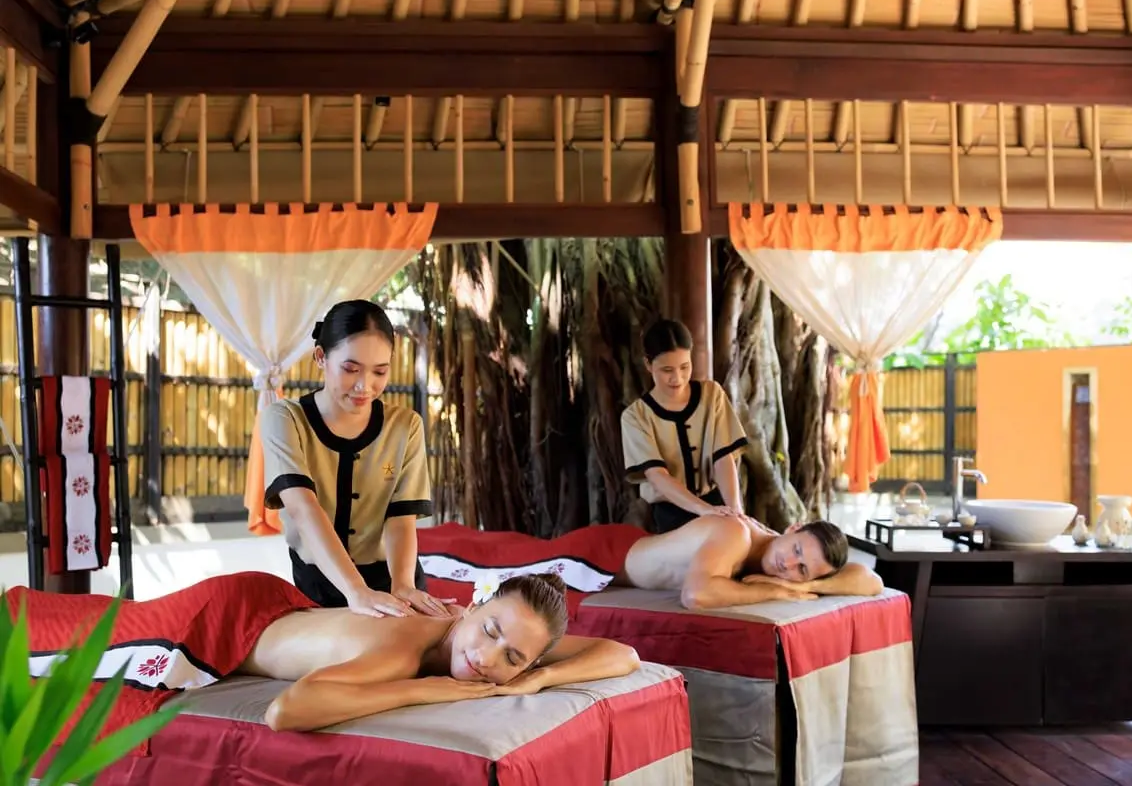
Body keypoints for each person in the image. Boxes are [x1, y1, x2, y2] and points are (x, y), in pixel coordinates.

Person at [6, 570, 640, 736]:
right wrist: (425, 689)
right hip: (217, 624)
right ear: (471, 606)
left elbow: (622, 653)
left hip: (276, 607)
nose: (489, 659)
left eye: (515, 658)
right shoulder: (402, 648)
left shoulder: (504, 645)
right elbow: (287, 711)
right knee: (57, 638)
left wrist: (533, 683)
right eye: (491, 631)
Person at [260, 299, 448, 619]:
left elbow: (401, 519)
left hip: (392, 578)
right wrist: (355, 590)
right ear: (321, 357)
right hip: (321, 581)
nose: (365, 386)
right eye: (350, 369)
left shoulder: (405, 426)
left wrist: (403, 586)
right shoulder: (285, 419)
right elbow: (303, 509)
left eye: (380, 371)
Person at [621, 319, 750, 533]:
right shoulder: (635, 417)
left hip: (716, 501)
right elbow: (657, 476)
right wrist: (703, 510)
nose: (677, 378)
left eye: (685, 367)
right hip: (670, 512)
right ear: (648, 364)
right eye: (667, 370)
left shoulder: (712, 395)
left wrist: (735, 510)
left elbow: (722, 458)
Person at [617, 515, 883, 609]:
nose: (788, 563)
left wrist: (802, 588)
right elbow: (696, 596)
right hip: (606, 559)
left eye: (802, 569)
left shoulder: (787, 571)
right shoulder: (737, 533)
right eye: (796, 549)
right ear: (792, 528)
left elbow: (872, 581)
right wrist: (774, 591)